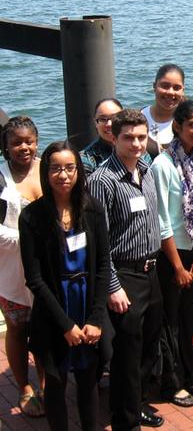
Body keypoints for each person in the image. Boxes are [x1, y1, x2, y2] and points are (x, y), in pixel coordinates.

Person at [19, 141, 111, 431]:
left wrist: (96, 319)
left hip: (87, 305)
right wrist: (65, 325)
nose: (63, 175)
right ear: (46, 173)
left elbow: (102, 266)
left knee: (88, 381)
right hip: (55, 310)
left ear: (78, 171)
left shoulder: (92, 209)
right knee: (56, 384)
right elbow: (34, 278)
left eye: (70, 168)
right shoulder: (32, 216)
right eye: (56, 168)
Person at [87, 109, 165, 429]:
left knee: (148, 346)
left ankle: (136, 403)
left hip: (151, 270)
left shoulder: (146, 171)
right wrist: (113, 286)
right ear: (114, 138)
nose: (136, 144)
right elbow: (98, 241)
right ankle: (126, 421)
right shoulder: (102, 181)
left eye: (141, 137)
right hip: (125, 275)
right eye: (128, 138)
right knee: (126, 355)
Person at [150, 100, 193, 406]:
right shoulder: (163, 165)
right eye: (192, 125)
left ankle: (189, 373)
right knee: (170, 321)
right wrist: (177, 266)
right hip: (171, 255)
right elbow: (162, 219)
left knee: (186, 318)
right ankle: (172, 382)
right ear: (177, 126)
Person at [0, 116, 45, 417]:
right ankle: (23, 386)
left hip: (47, 270)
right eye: (16, 142)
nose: (23, 147)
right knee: (18, 328)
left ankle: (44, 384)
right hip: (11, 271)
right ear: (5, 146)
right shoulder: (0, 178)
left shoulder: (50, 167)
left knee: (45, 329)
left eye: (28, 141)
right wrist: (28, 240)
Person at [142, 64, 186, 150]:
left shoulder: (188, 122)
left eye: (176, 88)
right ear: (154, 86)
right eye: (165, 86)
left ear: (183, 91)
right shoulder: (140, 117)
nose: (170, 92)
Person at [80, 98, 124, 176]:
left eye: (114, 118)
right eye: (103, 119)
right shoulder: (86, 159)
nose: (109, 124)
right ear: (95, 123)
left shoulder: (136, 147)